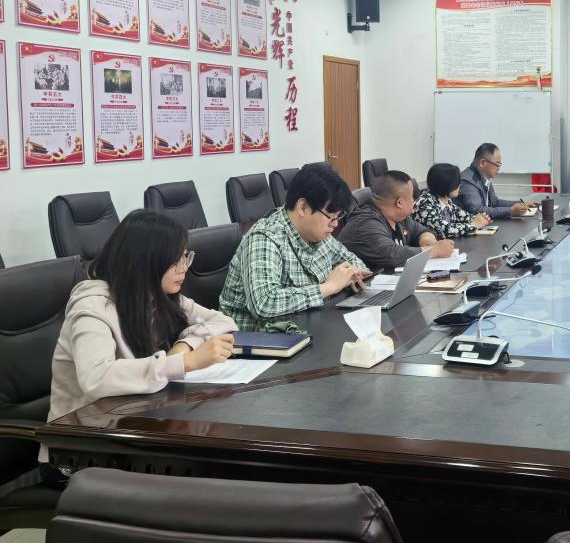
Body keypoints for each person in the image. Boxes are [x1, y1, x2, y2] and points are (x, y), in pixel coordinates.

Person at [43, 211, 237, 464]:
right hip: (82, 447)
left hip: (136, 425)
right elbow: (96, 378)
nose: (184, 268)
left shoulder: (159, 295)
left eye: (185, 257)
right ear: (146, 262)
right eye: (174, 261)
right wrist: (184, 363)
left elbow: (222, 322)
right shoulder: (93, 308)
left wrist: (184, 345)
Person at [220, 164, 371, 331]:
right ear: (303, 207)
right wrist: (329, 287)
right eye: (331, 217)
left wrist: (352, 275)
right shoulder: (265, 237)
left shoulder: (320, 234)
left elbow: (356, 263)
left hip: (306, 326)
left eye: (338, 217)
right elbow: (264, 304)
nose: (335, 225)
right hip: (257, 339)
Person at [340, 170, 456, 270]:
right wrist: (434, 250)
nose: (414, 200)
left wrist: (427, 239)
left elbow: (421, 230)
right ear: (400, 202)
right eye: (412, 197)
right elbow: (393, 255)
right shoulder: (366, 223)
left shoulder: (399, 218)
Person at [456, 143, 535, 219]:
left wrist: (521, 204)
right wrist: (510, 211)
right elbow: (476, 211)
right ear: (483, 163)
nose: (499, 168)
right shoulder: (468, 180)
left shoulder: (484, 178)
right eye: (497, 164)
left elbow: (495, 203)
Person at [413, 162, 491, 239]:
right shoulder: (424, 204)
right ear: (446, 184)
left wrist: (481, 219)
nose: (459, 185)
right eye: (456, 182)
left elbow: (462, 215)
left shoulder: (445, 200)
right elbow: (444, 230)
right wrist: (473, 225)